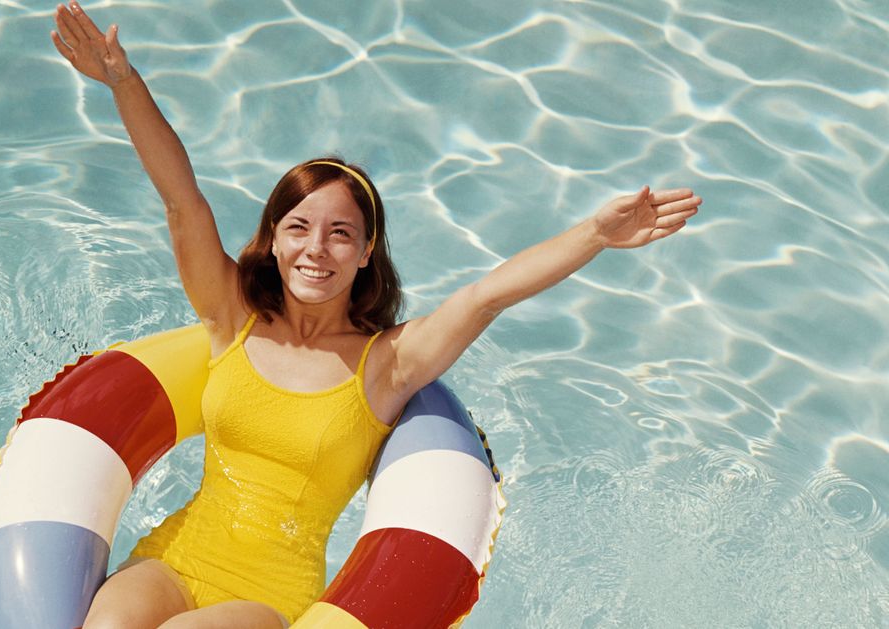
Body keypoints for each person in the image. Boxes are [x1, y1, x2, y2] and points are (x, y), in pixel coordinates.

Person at [50, 3, 701, 627]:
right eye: (299, 227)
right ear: (273, 238)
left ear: (365, 253)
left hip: (268, 597)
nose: (316, 249)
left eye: (340, 233)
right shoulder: (231, 317)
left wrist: (595, 232)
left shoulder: (385, 364)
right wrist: (121, 80)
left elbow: (486, 295)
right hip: (173, 559)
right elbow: (182, 202)